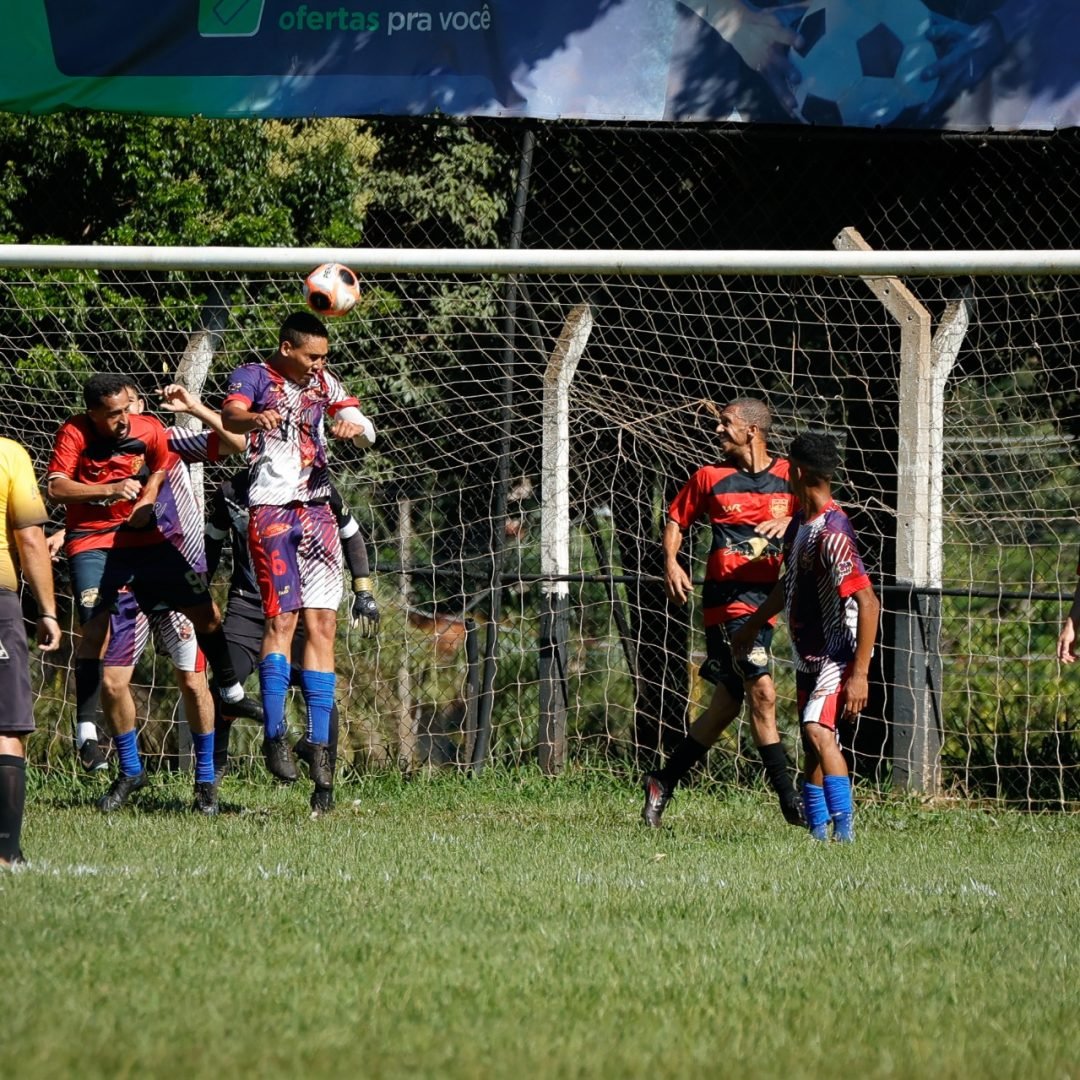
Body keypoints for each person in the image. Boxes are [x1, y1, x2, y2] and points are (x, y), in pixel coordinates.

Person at [46, 373, 253, 811]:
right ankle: (130, 771)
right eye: (114, 412)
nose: (125, 419)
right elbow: (75, 494)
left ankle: (205, 783)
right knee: (113, 680)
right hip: (117, 570)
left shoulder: (169, 438)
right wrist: (69, 536)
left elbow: (235, 444)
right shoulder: (86, 439)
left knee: (192, 679)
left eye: (131, 406)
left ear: (140, 404)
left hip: (167, 564)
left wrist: (195, 407)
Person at [221, 312, 375, 811]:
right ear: (287, 348)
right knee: (282, 620)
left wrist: (356, 428)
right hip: (271, 513)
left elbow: (362, 422)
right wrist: (254, 418)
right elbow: (231, 416)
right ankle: (274, 734)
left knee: (323, 625)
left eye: (324, 357)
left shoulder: (323, 381)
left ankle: (319, 746)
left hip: (317, 510)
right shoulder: (253, 375)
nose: (320, 365)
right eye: (312, 356)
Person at [641, 397, 802, 828]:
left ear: (752, 430)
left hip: (767, 602)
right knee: (763, 693)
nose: (717, 430)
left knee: (726, 707)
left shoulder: (791, 476)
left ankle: (662, 779)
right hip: (726, 602)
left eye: (725, 424)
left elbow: (821, 512)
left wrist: (792, 522)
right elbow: (676, 520)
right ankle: (792, 804)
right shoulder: (708, 477)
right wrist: (671, 562)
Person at [732, 432, 879, 842]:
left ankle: (845, 831)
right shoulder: (800, 523)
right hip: (805, 655)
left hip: (835, 655)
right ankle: (817, 832)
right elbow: (788, 584)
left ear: (796, 471)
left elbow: (869, 603)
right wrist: (752, 624)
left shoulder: (833, 532)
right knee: (812, 745)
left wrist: (860, 675)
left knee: (817, 731)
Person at [206, 466, 379, 814]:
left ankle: (323, 789)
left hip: (301, 611)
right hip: (249, 608)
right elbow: (210, 546)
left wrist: (363, 589)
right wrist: (192, 604)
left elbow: (351, 534)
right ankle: (209, 782)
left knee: (322, 696)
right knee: (222, 689)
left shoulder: (317, 486)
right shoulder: (231, 492)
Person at [0, 435, 61, 866]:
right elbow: (31, 537)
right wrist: (48, 611)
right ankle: (4, 852)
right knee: (6, 727)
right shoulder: (8, 453)